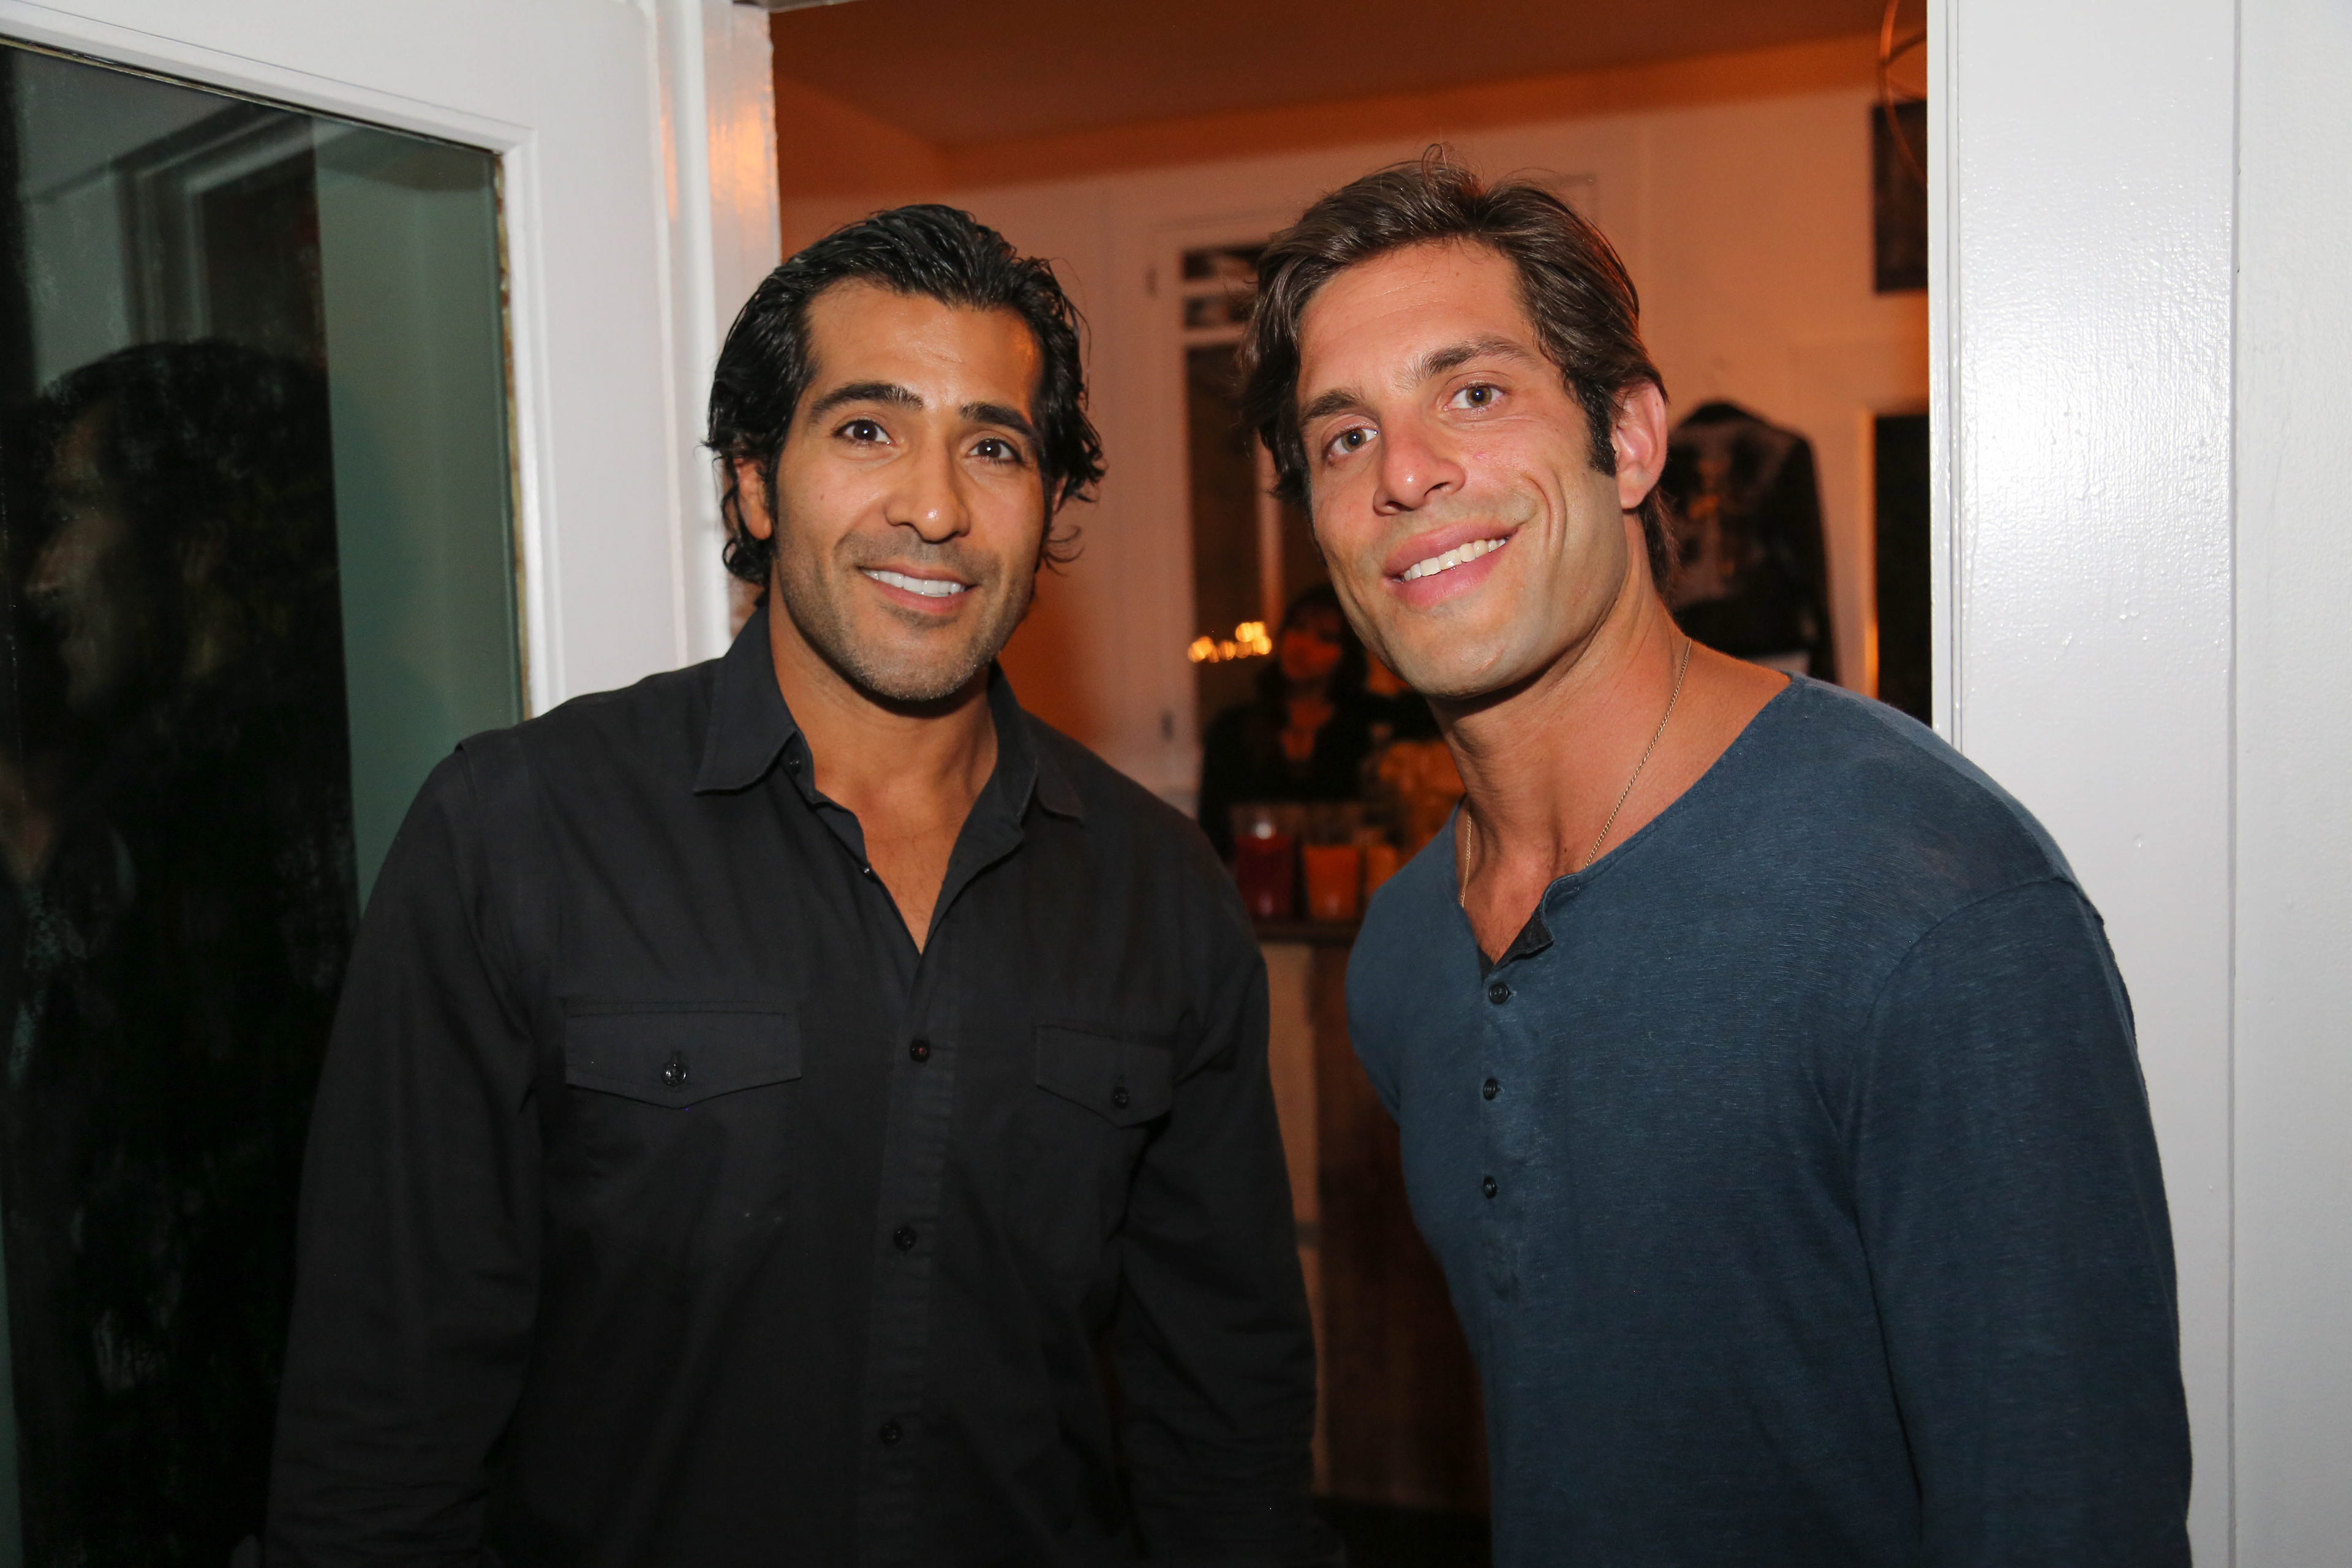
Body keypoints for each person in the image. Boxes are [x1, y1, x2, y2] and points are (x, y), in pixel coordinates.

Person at [268, 206, 1332, 1566]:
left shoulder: (1162, 893)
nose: (935, 507)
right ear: (757, 484)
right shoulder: (516, 834)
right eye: (868, 428)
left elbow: (1227, 1428)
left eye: (994, 447)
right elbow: (379, 1430)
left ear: (1049, 503)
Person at [1240, 155, 2190, 1566]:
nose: (1406, 472)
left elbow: (2069, 1518)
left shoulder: (1929, 898)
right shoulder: (1401, 953)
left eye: (1474, 393)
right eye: (1342, 437)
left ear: (1628, 439)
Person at [0, 342, 355, 1566]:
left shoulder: (219, 798)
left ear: (197, 538)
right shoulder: (224, 771)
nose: (43, 573)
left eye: (73, 516)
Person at [1195, 581, 1377, 859]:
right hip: (1254, 880)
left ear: (1347, 655)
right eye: (1298, 628)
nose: (1303, 646)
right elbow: (1212, 833)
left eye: (1325, 638)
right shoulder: (1233, 729)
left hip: (1341, 879)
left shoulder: (1365, 729)